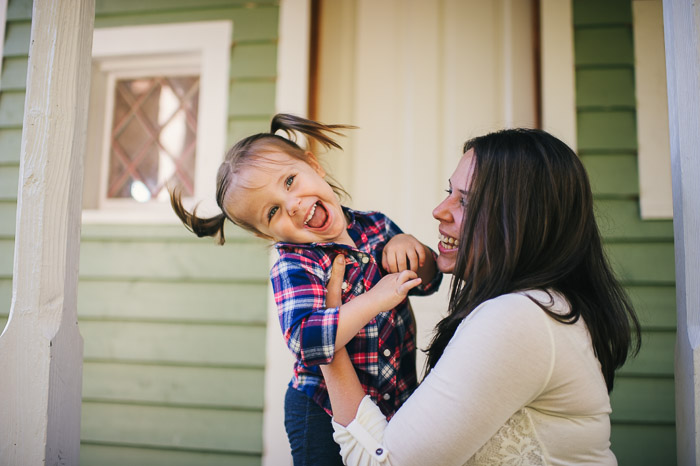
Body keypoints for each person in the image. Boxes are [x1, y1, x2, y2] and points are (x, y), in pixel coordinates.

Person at [320, 128, 642, 465]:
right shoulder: (544, 306)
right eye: (449, 192)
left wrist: (328, 335)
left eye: (466, 201)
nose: (439, 210)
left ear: (524, 220)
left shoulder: (519, 318)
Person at [169, 114, 442, 465]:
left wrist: (412, 248)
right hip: (319, 411)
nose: (293, 205)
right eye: (273, 211)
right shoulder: (295, 263)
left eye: (289, 181)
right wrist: (374, 300)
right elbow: (307, 340)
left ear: (314, 165)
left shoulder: (376, 226)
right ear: (266, 234)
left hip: (396, 395)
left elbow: (430, 282)